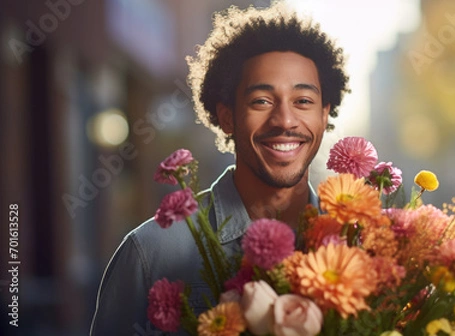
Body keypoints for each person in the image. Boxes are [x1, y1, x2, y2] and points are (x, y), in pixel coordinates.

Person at [90, 2, 349, 335]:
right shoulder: (149, 254)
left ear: (325, 115)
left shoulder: (359, 244)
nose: (285, 120)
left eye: (303, 101)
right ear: (226, 116)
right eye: (261, 101)